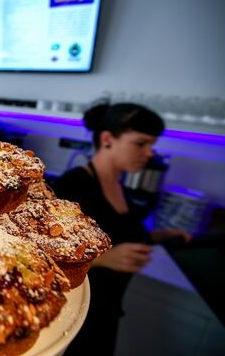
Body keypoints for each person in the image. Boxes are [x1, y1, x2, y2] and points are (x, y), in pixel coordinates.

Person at [54, 103, 191, 356]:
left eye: (152, 145)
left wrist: (157, 236)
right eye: (141, 143)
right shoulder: (74, 185)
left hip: (109, 309)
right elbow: (47, 257)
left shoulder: (121, 187)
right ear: (107, 139)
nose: (149, 153)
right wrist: (105, 259)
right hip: (78, 314)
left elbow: (120, 233)